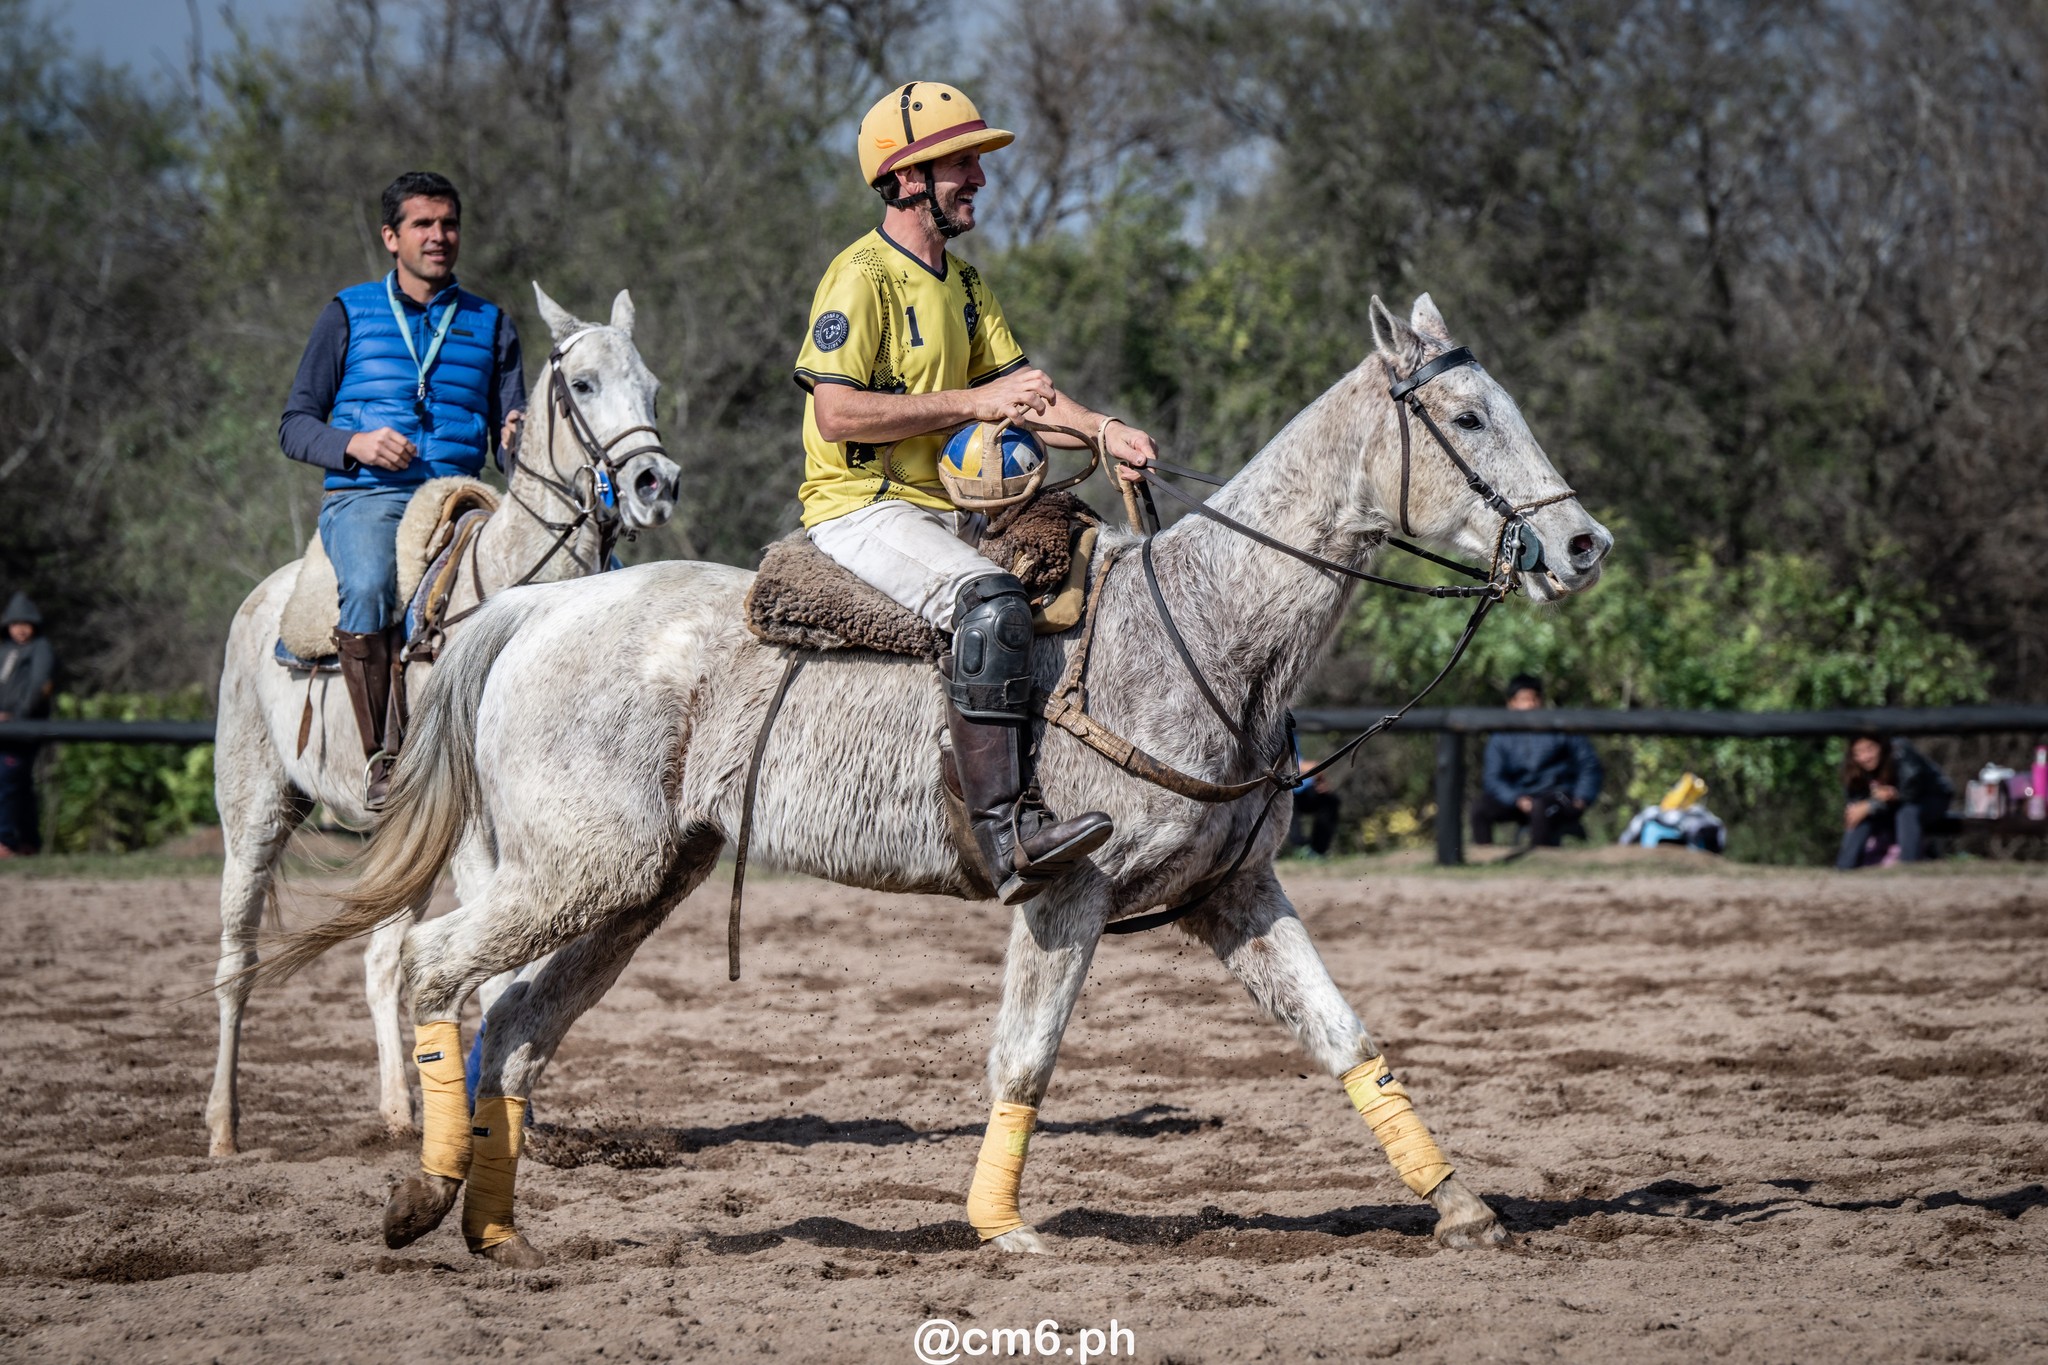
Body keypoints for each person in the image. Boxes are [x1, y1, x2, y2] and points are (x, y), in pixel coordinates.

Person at [794, 81, 1158, 904]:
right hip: (859, 506)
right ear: (909, 175)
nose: (981, 180)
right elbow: (836, 407)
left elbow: (1026, 395)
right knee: (991, 601)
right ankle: (1006, 834)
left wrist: (1105, 431)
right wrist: (971, 402)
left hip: (941, 512)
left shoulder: (965, 286)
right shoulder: (858, 276)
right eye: (964, 163)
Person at [279, 171, 528, 806]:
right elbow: (294, 425)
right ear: (392, 237)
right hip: (368, 497)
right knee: (367, 586)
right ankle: (386, 757)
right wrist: (353, 444)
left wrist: (518, 438)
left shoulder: (493, 324)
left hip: (460, 495)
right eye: (423, 224)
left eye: (448, 224)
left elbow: (509, 446)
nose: (438, 236)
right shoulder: (347, 312)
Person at [1471, 673, 1603, 847]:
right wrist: (1517, 799)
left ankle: (1540, 859)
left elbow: (1588, 764)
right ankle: (1484, 860)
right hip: (1518, 798)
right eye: (1524, 700)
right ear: (1511, 703)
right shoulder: (1500, 737)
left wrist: (1582, 798)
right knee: (1479, 809)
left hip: (1557, 795)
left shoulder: (1561, 727)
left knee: (1541, 807)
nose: (1530, 705)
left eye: (1535, 699)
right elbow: (1493, 778)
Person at [1835, 733, 1954, 869]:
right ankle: (1844, 868)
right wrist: (1861, 808)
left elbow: (1911, 792)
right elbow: (1856, 801)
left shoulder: (1900, 752)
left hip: (1930, 799)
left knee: (1906, 812)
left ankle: (1910, 867)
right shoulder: (1852, 769)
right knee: (1858, 816)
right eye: (1858, 752)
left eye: (1870, 749)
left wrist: (1874, 803)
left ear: (1881, 746)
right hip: (1889, 806)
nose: (1865, 757)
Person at [0, 592, 57, 855]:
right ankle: (28, 842)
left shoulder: (41, 649)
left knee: (8, 778)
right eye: (15, 624)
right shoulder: (5, 651)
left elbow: (39, 687)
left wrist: (16, 717)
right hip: (4, 728)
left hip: (24, 728)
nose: (20, 630)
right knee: (20, 784)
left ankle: (6, 840)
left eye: (25, 624)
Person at [1288, 766, 1343, 858]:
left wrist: (1320, 781)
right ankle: (1300, 848)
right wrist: (1314, 766)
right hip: (1288, 790)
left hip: (1305, 789)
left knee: (1331, 801)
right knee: (1290, 808)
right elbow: (1295, 764)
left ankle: (1318, 850)